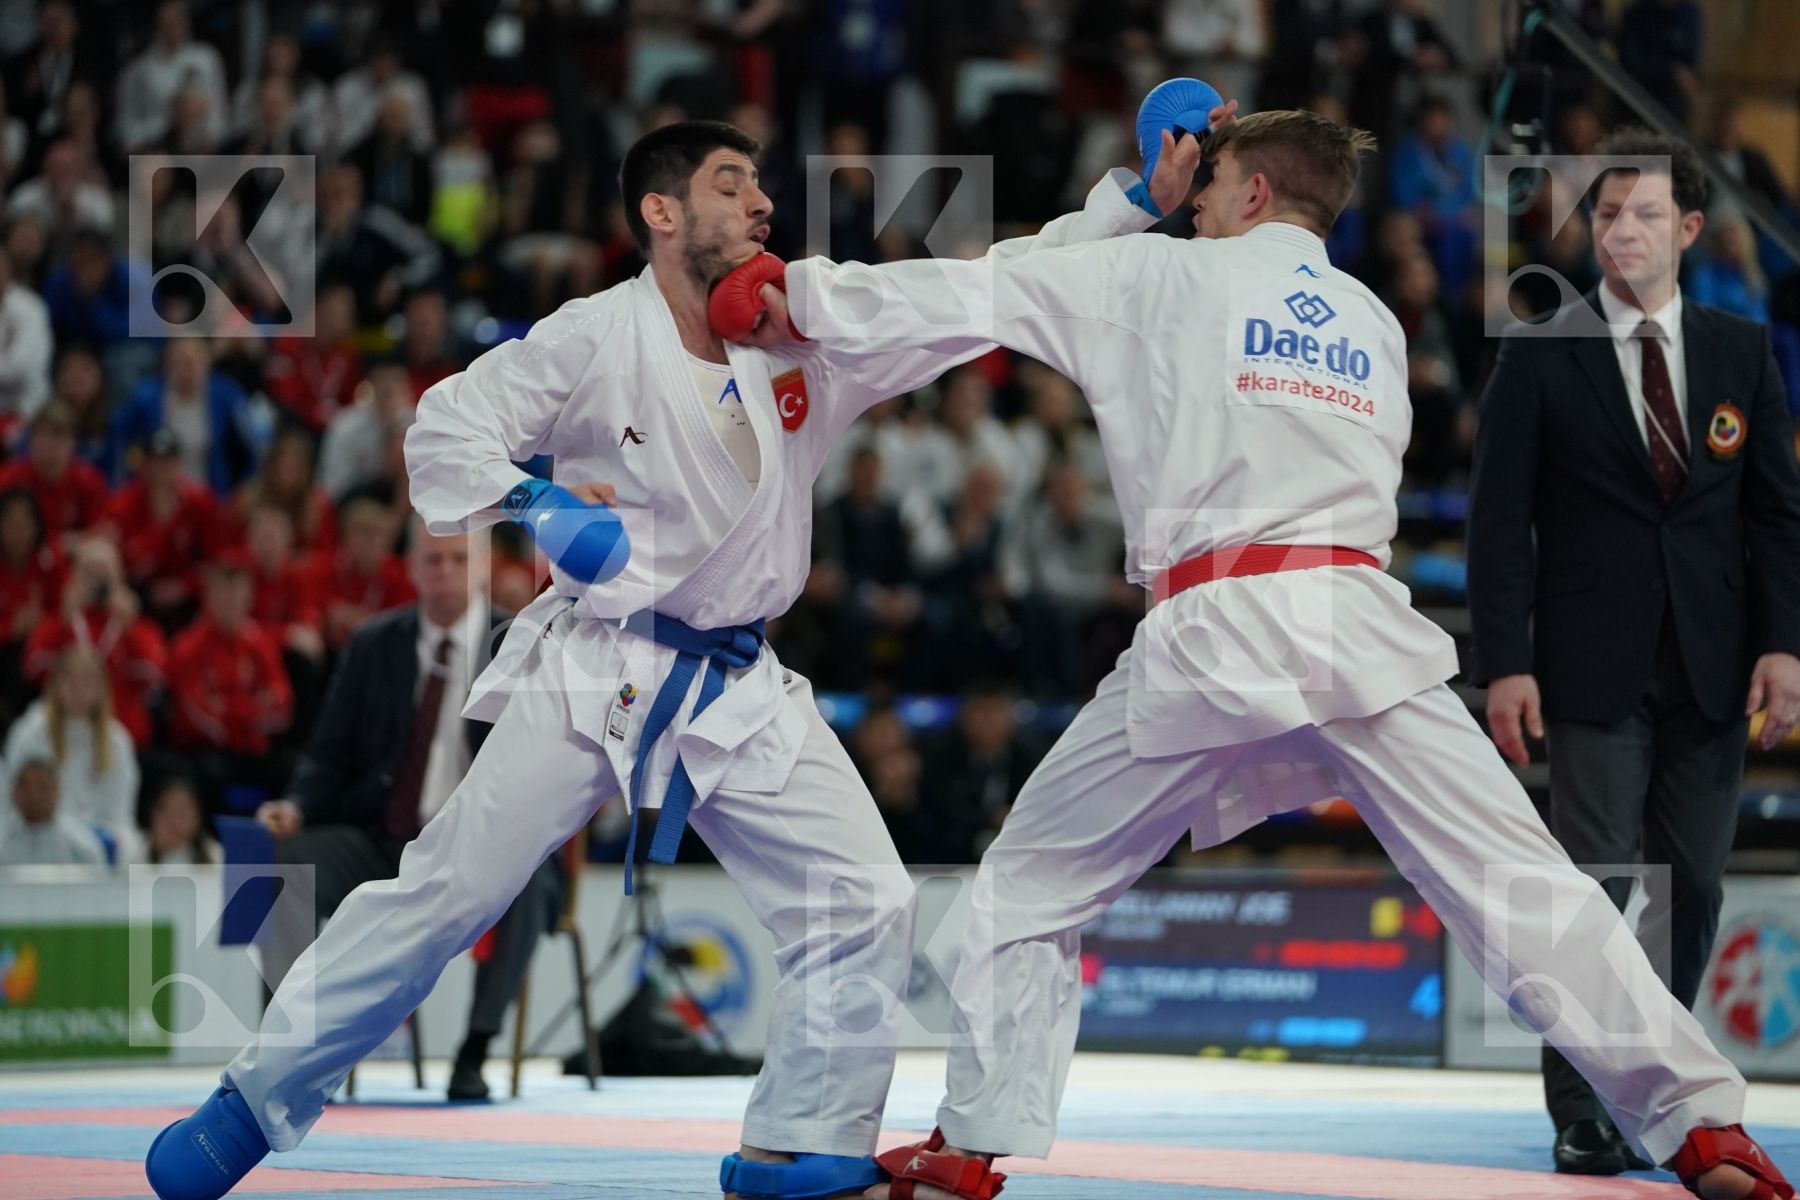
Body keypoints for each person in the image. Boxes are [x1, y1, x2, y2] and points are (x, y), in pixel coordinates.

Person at [145, 106, 1213, 1200]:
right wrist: (538, 502)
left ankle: (798, 1142)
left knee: (864, 896)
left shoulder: (802, 335)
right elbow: (442, 429)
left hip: (739, 680)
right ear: (662, 212)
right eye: (730, 183)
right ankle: (254, 1097)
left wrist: (1129, 207)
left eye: (760, 185)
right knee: (449, 891)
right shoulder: (594, 335)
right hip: (597, 662)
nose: (761, 203)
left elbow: (976, 296)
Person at [734, 108, 1792, 1200]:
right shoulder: (1371, 319)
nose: (1193, 204)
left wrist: (791, 293)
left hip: (1216, 631)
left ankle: (970, 1143)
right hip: (1360, 627)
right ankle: (1705, 1128)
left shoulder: (1160, 279)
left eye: (1209, 187)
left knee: (1029, 889)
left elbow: (971, 291)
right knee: (1526, 891)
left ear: (1247, 194)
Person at [1467, 129, 1800, 1177]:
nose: (1622, 230)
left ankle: (1650, 1085)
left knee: (1693, 887)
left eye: (1645, 213)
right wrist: (1506, 662)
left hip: (1712, 662)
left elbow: (1778, 517)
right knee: (1595, 887)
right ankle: (1583, 1106)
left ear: (1689, 229)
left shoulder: (1742, 349)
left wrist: (1785, 647)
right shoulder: (1539, 349)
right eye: (1607, 213)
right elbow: (1494, 522)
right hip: (1588, 662)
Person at [250, 523, 556, 1102]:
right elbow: (328, 751)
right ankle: (287, 1051)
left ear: (483, 567)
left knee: (530, 877)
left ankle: (474, 1052)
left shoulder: (517, 642)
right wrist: (294, 806)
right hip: (381, 840)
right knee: (271, 864)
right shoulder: (373, 645)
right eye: (433, 559)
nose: (444, 571)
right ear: (412, 568)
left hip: (479, 845)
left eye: (459, 559)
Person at [3, 645, 139, 862]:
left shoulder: (117, 741)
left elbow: (121, 815)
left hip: (97, 839)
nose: (79, 690)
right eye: (71, 682)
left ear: (101, 689)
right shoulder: (30, 733)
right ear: (56, 685)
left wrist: (109, 842)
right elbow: (11, 801)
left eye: (88, 682)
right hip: (39, 835)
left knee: (130, 849)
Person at [0, 755, 104, 866]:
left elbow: (98, 880)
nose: (33, 795)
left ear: (57, 789)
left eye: (42, 787)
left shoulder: (79, 845)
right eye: (25, 786)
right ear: (13, 791)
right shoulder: (2, 839)